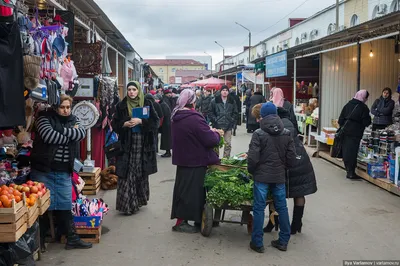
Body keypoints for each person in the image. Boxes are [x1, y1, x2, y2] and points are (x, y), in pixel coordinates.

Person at [30, 95, 92, 250]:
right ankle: (40, 242)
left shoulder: (75, 119)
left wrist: (61, 131)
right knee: (42, 207)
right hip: (43, 169)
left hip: (64, 171)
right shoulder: (44, 118)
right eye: (62, 107)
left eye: (68, 107)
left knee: (65, 205)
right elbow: (49, 136)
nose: (65, 110)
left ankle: (72, 238)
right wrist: (70, 134)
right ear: (55, 107)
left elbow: (81, 134)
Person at [263, 96, 317, 234]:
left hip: (286, 163)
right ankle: (296, 225)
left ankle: (273, 222)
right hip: (301, 161)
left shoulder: (274, 125)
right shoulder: (289, 122)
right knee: (299, 193)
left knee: (275, 193)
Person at [248, 102, 297, 253]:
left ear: (262, 116)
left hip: (261, 177)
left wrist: (252, 171)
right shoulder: (286, 133)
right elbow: (292, 158)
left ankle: (257, 243)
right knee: (282, 207)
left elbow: (253, 158)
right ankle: (283, 241)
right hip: (279, 177)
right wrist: (283, 168)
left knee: (258, 208)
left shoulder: (258, 133)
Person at [170, 89, 222, 233]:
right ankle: (182, 223)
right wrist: (216, 134)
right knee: (193, 193)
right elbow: (209, 140)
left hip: (182, 159)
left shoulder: (176, 115)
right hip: (195, 160)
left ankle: (191, 220)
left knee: (183, 191)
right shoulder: (194, 118)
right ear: (192, 101)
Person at [112, 81, 159, 215]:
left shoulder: (147, 104)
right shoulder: (121, 106)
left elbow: (156, 123)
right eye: (129, 89)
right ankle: (127, 205)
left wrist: (141, 121)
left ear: (138, 91)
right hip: (126, 144)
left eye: (134, 89)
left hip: (143, 144)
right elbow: (114, 124)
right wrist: (124, 124)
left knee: (139, 171)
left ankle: (138, 201)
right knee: (127, 173)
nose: (131, 92)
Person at [338, 90, 371, 179]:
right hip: (355, 133)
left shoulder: (348, 105)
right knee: (353, 152)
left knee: (346, 151)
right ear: (364, 97)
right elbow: (366, 122)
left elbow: (340, 120)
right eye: (366, 98)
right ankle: (351, 173)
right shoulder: (363, 108)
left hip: (345, 132)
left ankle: (348, 170)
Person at [209, 85, 238, 158]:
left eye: (226, 90)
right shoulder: (215, 101)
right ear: (220, 91)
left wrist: (231, 121)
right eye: (223, 90)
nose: (225, 92)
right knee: (216, 144)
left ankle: (226, 160)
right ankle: (215, 159)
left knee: (228, 144)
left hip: (228, 126)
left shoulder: (232, 101)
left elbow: (235, 112)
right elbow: (210, 112)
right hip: (217, 126)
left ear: (228, 92)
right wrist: (215, 121)